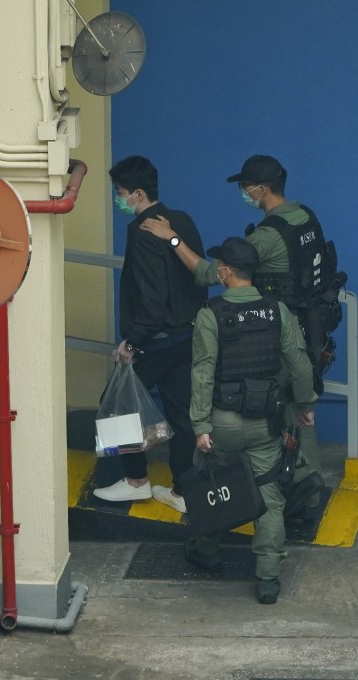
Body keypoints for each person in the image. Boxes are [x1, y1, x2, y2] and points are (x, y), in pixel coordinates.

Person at [141, 155, 330, 518]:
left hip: (278, 331)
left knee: (280, 413)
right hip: (309, 325)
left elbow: (213, 273)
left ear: (261, 188)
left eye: (246, 186)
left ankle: (293, 492)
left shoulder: (269, 235)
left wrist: (173, 238)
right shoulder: (304, 216)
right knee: (297, 412)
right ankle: (309, 489)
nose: (244, 192)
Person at [184, 236, 317, 604]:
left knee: (211, 484)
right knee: (269, 496)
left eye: (219, 267)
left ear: (226, 272)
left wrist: (201, 426)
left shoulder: (211, 314)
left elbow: (202, 372)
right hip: (264, 423)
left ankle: (206, 551)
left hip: (222, 424)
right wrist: (305, 404)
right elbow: (299, 363)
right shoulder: (278, 311)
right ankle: (268, 578)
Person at [92, 156, 207, 513]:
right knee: (182, 416)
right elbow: (197, 277)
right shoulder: (182, 221)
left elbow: (151, 297)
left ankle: (136, 481)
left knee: (117, 406)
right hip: (186, 337)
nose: (118, 198)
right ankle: (184, 490)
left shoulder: (142, 233)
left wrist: (133, 342)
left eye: (120, 192)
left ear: (138, 194)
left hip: (155, 341)